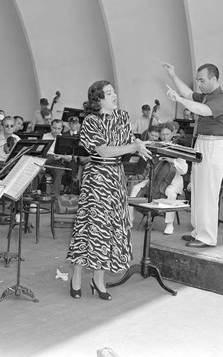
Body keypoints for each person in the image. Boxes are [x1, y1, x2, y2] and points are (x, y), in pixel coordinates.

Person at [67, 80, 151, 300]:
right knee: (91, 228)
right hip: (97, 178)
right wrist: (134, 146)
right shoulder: (91, 122)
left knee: (110, 229)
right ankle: (76, 276)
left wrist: (139, 146)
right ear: (98, 99)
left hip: (116, 177)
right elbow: (104, 152)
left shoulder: (122, 117)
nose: (115, 95)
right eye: (109, 93)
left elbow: (125, 145)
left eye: (114, 91)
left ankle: (98, 280)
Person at [163, 62, 223, 248]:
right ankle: (198, 232)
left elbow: (203, 111)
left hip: (214, 145)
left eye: (202, 80)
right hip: (202, 143)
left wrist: (179, 100)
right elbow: (188, 94)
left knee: (208, 193)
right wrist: (173, 75)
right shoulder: (207, 96)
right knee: (198, 191)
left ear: (214, 79)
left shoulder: (222, 99)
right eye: (198, 80)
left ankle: (208, 237)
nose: (199, 84)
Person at [128, 123, 187, 235]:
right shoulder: (157, 146)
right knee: (135, 188)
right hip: (155, 178)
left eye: (167, 134)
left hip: (174, 181)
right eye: (162, 134)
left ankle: (169, 224)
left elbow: (184, 169)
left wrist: (171, 160)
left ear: (172, 134)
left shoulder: (178, 149)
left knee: (170, 192)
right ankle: (129, 220)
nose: (165, 137)